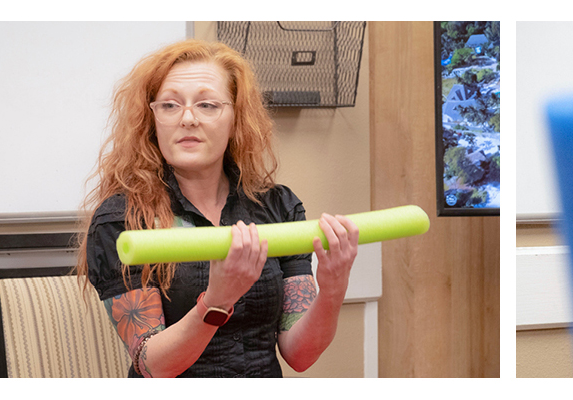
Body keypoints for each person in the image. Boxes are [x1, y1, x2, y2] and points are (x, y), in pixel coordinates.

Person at [75, 40, 360, 378]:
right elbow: (152, 366)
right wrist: (217, 300)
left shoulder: (277, 206)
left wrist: (333, 289)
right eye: (169, 105)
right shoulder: (122, 220)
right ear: (152, 120)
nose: (188, 118)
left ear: (236, 118)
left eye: (207, 105)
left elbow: (300, 355)